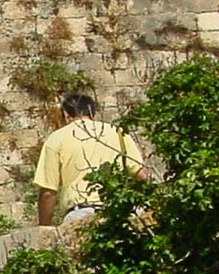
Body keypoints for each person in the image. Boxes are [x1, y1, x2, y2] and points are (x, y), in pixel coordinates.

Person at [33, 93, 148, 225]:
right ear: (93, 113)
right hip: (117, 211)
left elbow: (48, 193)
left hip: (80, 213)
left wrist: (44, 226)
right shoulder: (118, 133)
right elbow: (141, 175)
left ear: (66, 114)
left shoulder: (56, 138)